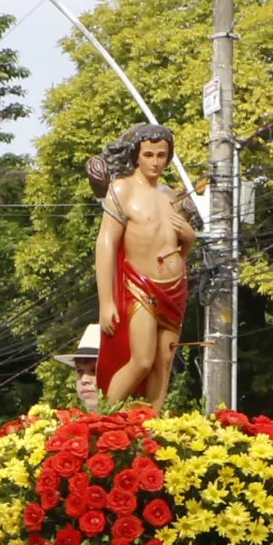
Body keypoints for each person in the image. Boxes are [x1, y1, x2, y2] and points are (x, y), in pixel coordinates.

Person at [82, 123, 196, 412]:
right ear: (136, 155)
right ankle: (101, 419)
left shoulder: (169, 195)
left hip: (174, 287)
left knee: (164, 362)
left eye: (161, 155)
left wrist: (190, 237)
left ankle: (150, 427)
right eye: (149, 155)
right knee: (142, 359)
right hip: (139, 286)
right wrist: (106, 301)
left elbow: (179, 246)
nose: (155, 162)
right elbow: (106, 244)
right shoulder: (123, 189)